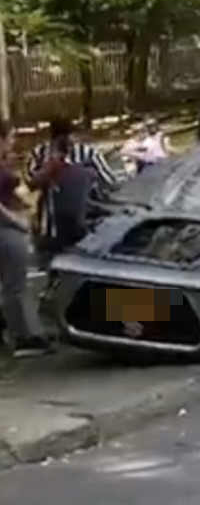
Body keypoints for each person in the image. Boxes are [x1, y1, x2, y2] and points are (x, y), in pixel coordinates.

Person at [27, 118, 116, 268]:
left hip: (83, 223)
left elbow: (110, 181)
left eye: (69, 136)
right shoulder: (40, 153)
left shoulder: (88, 154)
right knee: (52, 266)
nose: (68, 141)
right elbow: (30, 183)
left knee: (81, 267)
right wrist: (49, 169)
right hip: (50, 224)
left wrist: (88, 176)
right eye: (62, 138)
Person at [0, 121, 51, 356]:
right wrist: (16, 221)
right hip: (7, 231)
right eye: (10, 137)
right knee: (16, 286)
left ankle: (17, 331)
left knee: (12, 284)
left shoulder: (4, 163)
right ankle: (23, 337)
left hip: (10, 227)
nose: (13, 142)